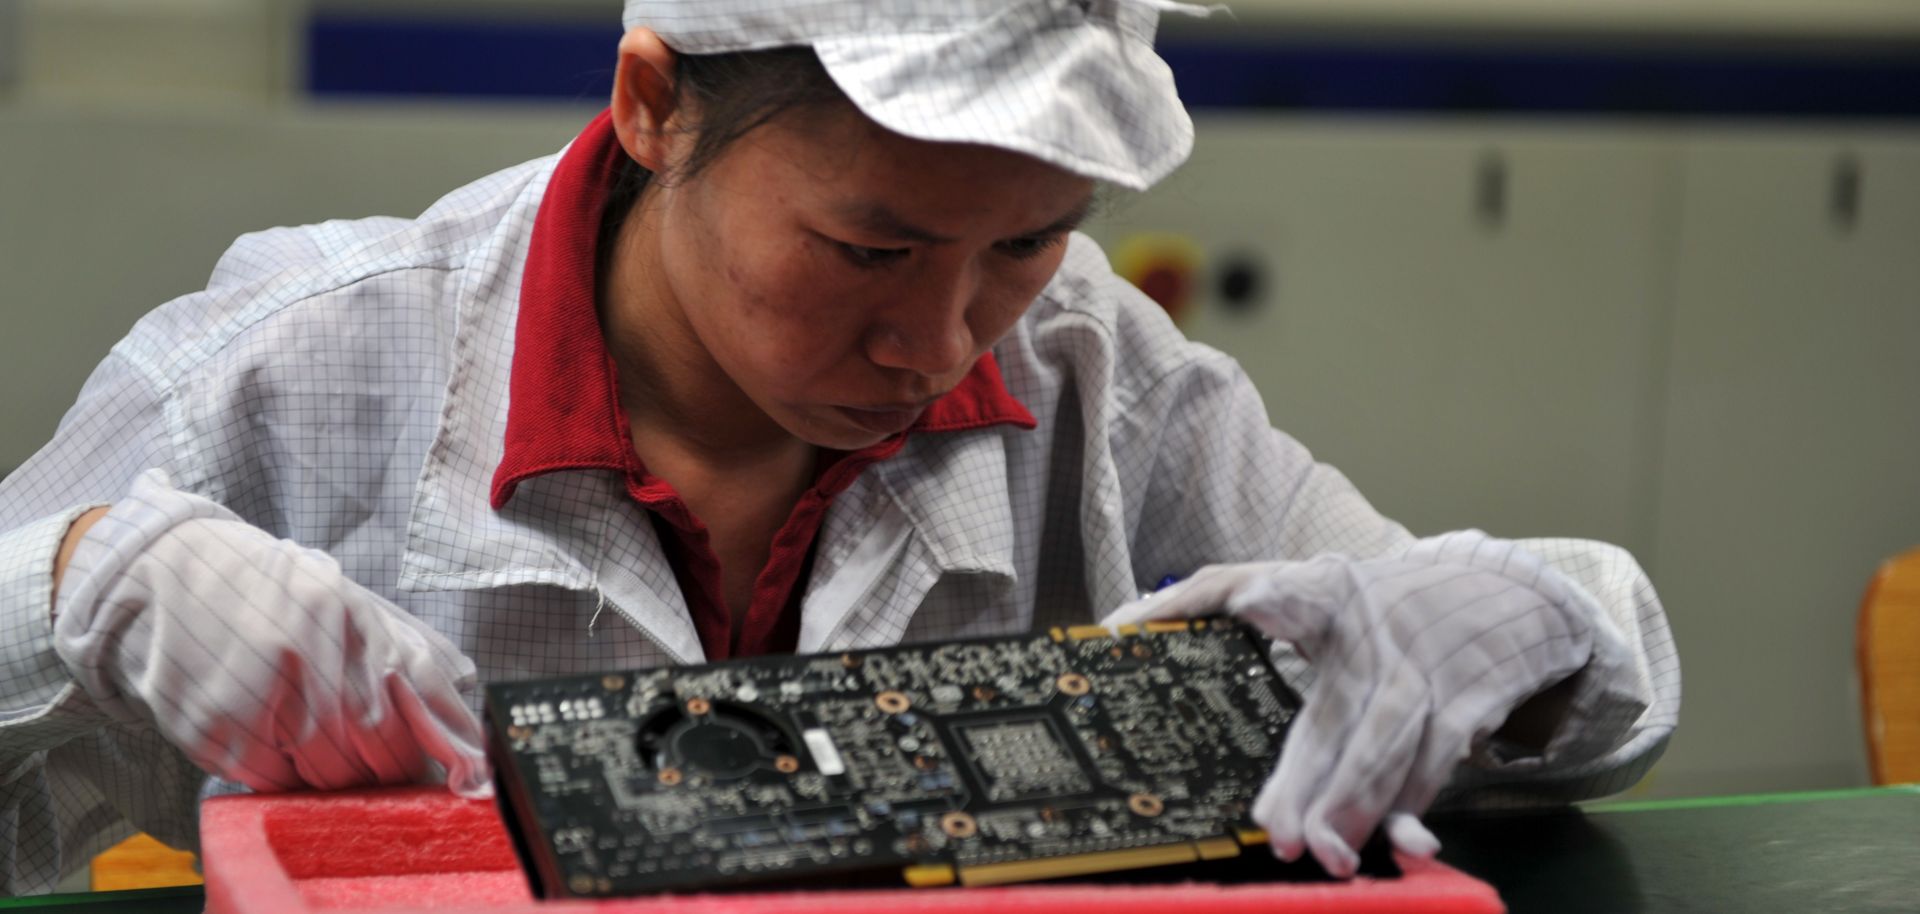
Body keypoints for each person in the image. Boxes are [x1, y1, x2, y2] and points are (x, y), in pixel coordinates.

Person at [0, 0, 1680, 896]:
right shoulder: (303, 366)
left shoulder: (1093, 361)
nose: (948, 342)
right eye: (871, 252)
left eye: (1022, 241)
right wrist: (81, 581)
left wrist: (1535, 630)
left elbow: (1514, 655)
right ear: (657, 104)